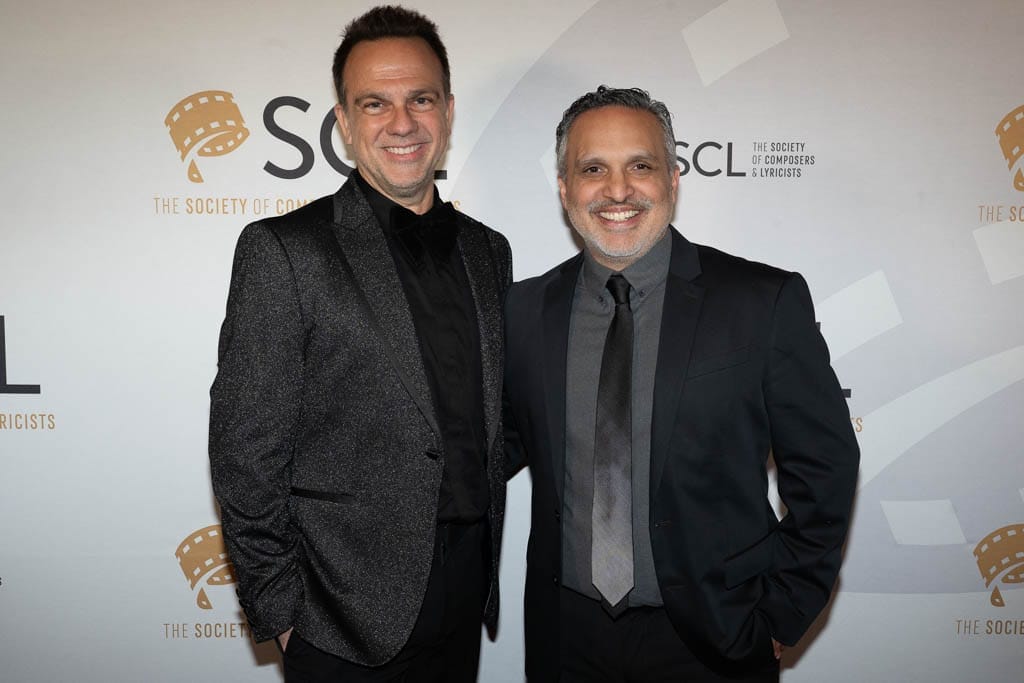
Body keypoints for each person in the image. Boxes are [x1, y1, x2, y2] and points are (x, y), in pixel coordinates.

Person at [503, 86, 859, 682]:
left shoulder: (761, 302)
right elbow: (495, 446)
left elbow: (826, 467)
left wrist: (781, 612)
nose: (618, 190)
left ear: (672, 178)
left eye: (640, 166)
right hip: (565, 641)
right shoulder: (522, 310)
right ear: (565, 189)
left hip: (716, 639)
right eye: (593, 169)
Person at [208, 6, 511, 682]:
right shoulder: (286, 251)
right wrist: (283, 615)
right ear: (344, 123)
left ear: (448, 112)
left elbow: (488, 422)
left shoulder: (489, 252)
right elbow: (244, 452)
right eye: (375, 103)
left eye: (420, 99)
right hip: (340, 619)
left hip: (464, 598)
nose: (402, 123)